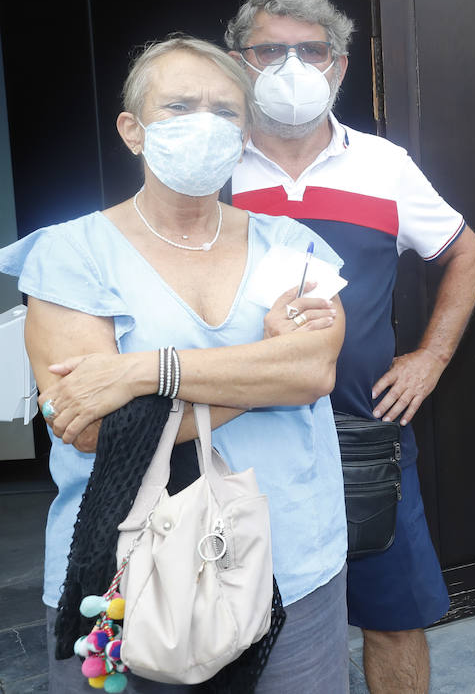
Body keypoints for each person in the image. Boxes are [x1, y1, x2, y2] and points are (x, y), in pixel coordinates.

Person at [0, 36, 351, 692]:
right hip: (125, 570)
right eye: (180, 106)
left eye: (224, 112)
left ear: (243, 138)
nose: (204, 125)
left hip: (291, 558)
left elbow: (314, 373)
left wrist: (142, 372)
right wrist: (270, 370)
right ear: (132, 131)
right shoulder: (71, 255)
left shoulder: (291, 247)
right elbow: (94, 428)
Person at [224, 0, 475, 694]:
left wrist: (431, 358)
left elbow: (468, 253)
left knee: (393, 619)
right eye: (269, 50)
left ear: (339, 67)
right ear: (239, 62)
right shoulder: (209, 169)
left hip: (362, 436)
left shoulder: (383, 165)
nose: (291, 66)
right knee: (235, 626)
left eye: (311, 51)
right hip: (238, 438)